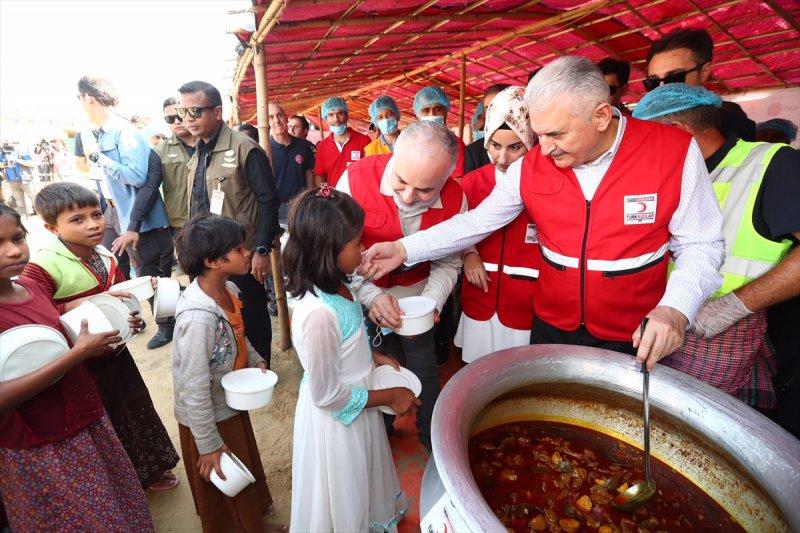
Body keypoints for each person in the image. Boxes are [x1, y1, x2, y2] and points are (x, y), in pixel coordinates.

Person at [361, 56, 725, 371]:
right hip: (552, 322)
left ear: (600, 116)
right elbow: (477, 221)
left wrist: (676, 308)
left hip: (633, 330)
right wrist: (404, 249)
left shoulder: (672, 152)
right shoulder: (531, 167)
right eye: (538, 134)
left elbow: (701, 243)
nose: (544, 149)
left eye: (555, 135)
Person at [634, 83, 800, 410]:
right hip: (662, 315)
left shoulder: (771, 164)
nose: (640, 153)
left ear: (675, 131)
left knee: (688, 422)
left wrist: (733, 306)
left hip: (720, 329)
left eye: (645, 141)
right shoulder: (670, 173)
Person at [0, 203, 155, 532]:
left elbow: (58, 325)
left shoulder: (30, 288)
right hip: (42, 443)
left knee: (115, 503)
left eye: (17, 238)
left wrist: (108, 315)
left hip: (86, 420)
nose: (13, 251)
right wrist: (78, 354)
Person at [21, 182, 180, 491]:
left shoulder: (105, 254)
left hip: (116, 352)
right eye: (77, 219)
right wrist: (71, 304)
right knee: (105, 419)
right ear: (52, 228)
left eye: (96, 214)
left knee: (134, 405)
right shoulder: (41, 267)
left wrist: (131, 318)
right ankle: (125, 481)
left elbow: (121, 293)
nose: (93, 224)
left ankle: (150, 470)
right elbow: (32, 312)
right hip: (82, 363)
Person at [284, 186, 415, 532]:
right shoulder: (318, 315)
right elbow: (327, 396)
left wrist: (374, 357)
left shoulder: (339, 284)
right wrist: (389, 397)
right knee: (346, 490)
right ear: (327, 250)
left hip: (359, 405)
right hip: (339, 422)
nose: (363, 248)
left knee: (363, 477)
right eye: (357, 243)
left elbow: (343, 347)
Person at [336, 121, 466, 450]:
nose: (409, 197)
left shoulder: (457, 198)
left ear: (447, 176)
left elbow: (449, 261)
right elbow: (335, 255)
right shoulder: (353, 179)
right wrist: (372, 297)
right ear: (394, 154)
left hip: (419, 294)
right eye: (401, 182)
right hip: (361, 291)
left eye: (425, 191)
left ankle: (432, 439)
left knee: (423, 369)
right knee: (369, 367)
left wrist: (431, 303)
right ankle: (379, 434)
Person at [172, 214, 285, 533]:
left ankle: (254, 523)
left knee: (241, 465)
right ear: (212, 260)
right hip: (206, 417)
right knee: (225, 476)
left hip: (227, 402)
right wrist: (207, 444)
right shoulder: (198, 321)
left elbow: (239, 334)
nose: (248, 252)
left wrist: (255, 359)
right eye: (238, 249)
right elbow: (193, 388)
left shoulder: (229, 288)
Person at [179, 80, 280, 366]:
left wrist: (261, 249)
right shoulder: (198, 150)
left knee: (251, 310)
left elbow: (268, 200)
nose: (189, 119)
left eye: (196, 111)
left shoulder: (245, 148)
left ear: (218, 112)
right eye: (184, 113)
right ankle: (230, 364)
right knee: (218, 311)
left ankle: (260, 368)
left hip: (240, 253)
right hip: (208, 254)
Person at [456, 86, 540, 363]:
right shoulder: (470, 184)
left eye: (515, 147)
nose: (502, 158)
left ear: (532, 142)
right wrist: (469, 253)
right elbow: (453, 229)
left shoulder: (548, 186)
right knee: (476, 367)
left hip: (525, 299)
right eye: (495, 146)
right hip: (480, 293)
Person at [75, 75, 172, 280]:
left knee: (155, 285)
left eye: (79, 97)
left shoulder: (123, 130)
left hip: (144, 225)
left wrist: (99, 158)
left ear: (89, 97)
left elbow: (136, 177)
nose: (80, 103)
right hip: (118, 214)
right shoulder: (103, 133)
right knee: (126, 273)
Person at [645, 28, 756, 141]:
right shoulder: (644, 124)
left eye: (675, 78)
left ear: (704, 72)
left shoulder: (731, 119)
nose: (662, 89)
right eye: (653, 82)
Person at [269, 101, 316, 224]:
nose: (276, 120)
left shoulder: (304, 146)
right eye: (271, 117)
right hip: (277, 210)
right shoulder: (264, 149)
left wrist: (310, 201)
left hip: (302, 206)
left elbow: (309, 174)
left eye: (279, 115)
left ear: (286, 117)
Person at [313, 96, 371, 187]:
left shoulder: (364, 140)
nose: (336, 119)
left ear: (347, 115)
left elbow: (370, 171)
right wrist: (322, 185)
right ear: (326, 118)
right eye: (331, 115)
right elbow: (319, 176)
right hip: (334, 198)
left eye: (340, 113)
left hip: (358, 196)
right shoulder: (322, 146)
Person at [413, 86, 466, 180]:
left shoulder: (456, 144)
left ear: (445, 113)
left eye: (437, 109)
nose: (432, 114)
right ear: (418, 116)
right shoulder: (411, 143)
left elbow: (458, 181)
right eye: (426, 110)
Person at [464, 84, 512, 174]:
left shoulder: (530, 145)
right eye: (488, 108)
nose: (492, 112)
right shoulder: (474, 153)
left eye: (497, 106)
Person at [0, 144, 37, 216]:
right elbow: (1, 165)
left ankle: (39, 211)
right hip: (12, 181)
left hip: (25, 180)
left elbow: (31, 164)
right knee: (18, 199)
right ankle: (23, 214)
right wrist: (4, 163)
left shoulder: (22, 152)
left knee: (32, 196)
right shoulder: (3, 154)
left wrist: (17, 160)